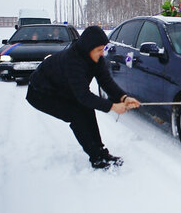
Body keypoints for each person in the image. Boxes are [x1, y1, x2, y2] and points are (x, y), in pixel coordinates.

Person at [26, 26, 140, 170]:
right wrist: (112, 106)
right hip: (41, 93)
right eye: (99, 50)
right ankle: (97, 158)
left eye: (103, 49)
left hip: (62, 88)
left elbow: (106, 82)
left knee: (87, 110)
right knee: (76, 114)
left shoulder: (96, 59)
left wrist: (123, 98)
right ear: (88, 48)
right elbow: (83, 96)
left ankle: (101, 153)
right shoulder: (73, 62)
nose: (101, 53)